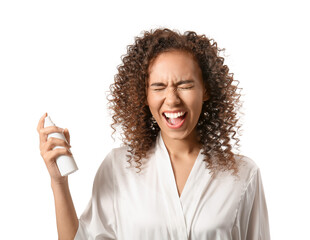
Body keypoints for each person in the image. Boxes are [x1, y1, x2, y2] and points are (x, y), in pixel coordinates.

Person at [37, 28, 270, 240]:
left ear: (205, 90)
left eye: (185, 85)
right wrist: (59, 182)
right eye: (158, 87)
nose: (172, 99)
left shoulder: (242, 175)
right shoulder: (119, 167)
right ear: (145, 96)